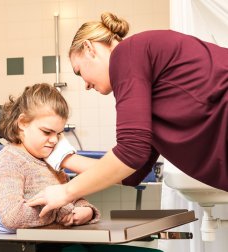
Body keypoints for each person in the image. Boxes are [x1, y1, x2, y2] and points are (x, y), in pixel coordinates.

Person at [27, 12, 228, 217]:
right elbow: (132, 172)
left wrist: (66, 191)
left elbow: (131, 151)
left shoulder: (126, 53)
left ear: (89, 48)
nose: (85, 84)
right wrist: (63, 158)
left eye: (79, 72)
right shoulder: (141, 74)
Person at [0, 83, 101, 231]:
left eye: (59, 133)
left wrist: (86, 211)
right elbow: (13, 216)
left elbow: (71, 198)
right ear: (23, 123)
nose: (54, 140)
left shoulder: (49, 160)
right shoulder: (8, 161)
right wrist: (61, 211)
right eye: (47, 132)